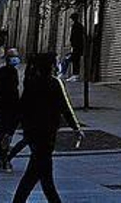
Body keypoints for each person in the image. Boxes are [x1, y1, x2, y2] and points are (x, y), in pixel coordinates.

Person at [10, 53, 82, 203]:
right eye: (55, 63)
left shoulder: (31, 83)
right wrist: (76, 128)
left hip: (32, 133)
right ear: (50, 66)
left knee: (41, 173)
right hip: (47, 133)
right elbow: (65, 107)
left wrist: (10, 132)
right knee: (38, 173)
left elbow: (21, 109)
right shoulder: (55, 83)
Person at [0, 48, 22, 170]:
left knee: (7, 134)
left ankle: (1, 157)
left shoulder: (14, 72)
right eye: (13, 56)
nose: (16, 59)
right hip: (2, 107)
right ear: (7, 59)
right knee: (3, 133)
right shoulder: (1, 72)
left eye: (16, 56)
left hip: (13, 108)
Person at [66, 14, 87, 82]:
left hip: (76, 46)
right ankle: (75, 75)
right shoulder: (80, 26)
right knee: (76, 60)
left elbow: (74, 37)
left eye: (70, 19)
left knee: (75, 60)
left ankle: (75, 75)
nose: (70, 21)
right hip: (79, 46)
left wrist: (72, 45)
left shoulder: (75, 26)